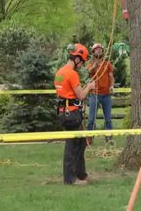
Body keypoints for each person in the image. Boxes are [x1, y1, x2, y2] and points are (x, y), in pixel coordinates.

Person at [54, 43, 95, 185]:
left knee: (80, 142)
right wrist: (89, 87)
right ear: (77, 59)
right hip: (71, 113)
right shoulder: (72, 74)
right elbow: (81, 95)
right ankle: (70, 179)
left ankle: (81, 174)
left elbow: (69, 93)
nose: (82, 65)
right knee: (72, 145)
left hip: (64, 112)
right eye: (82, 62)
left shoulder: (60, 72)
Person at [86, 43, 115, 144]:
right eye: (96, 49)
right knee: (91, 119)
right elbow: (89, 72)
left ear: (103, 51)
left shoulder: (107, 64)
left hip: (106, 95)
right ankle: (89, 138)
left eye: (100, 49)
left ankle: (109, 138)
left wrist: (111, 86)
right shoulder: (91, 64)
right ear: (93, 52)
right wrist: (94, 67)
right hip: (95, 94)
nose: (99, 51)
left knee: (108, 119)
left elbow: (111, 76)